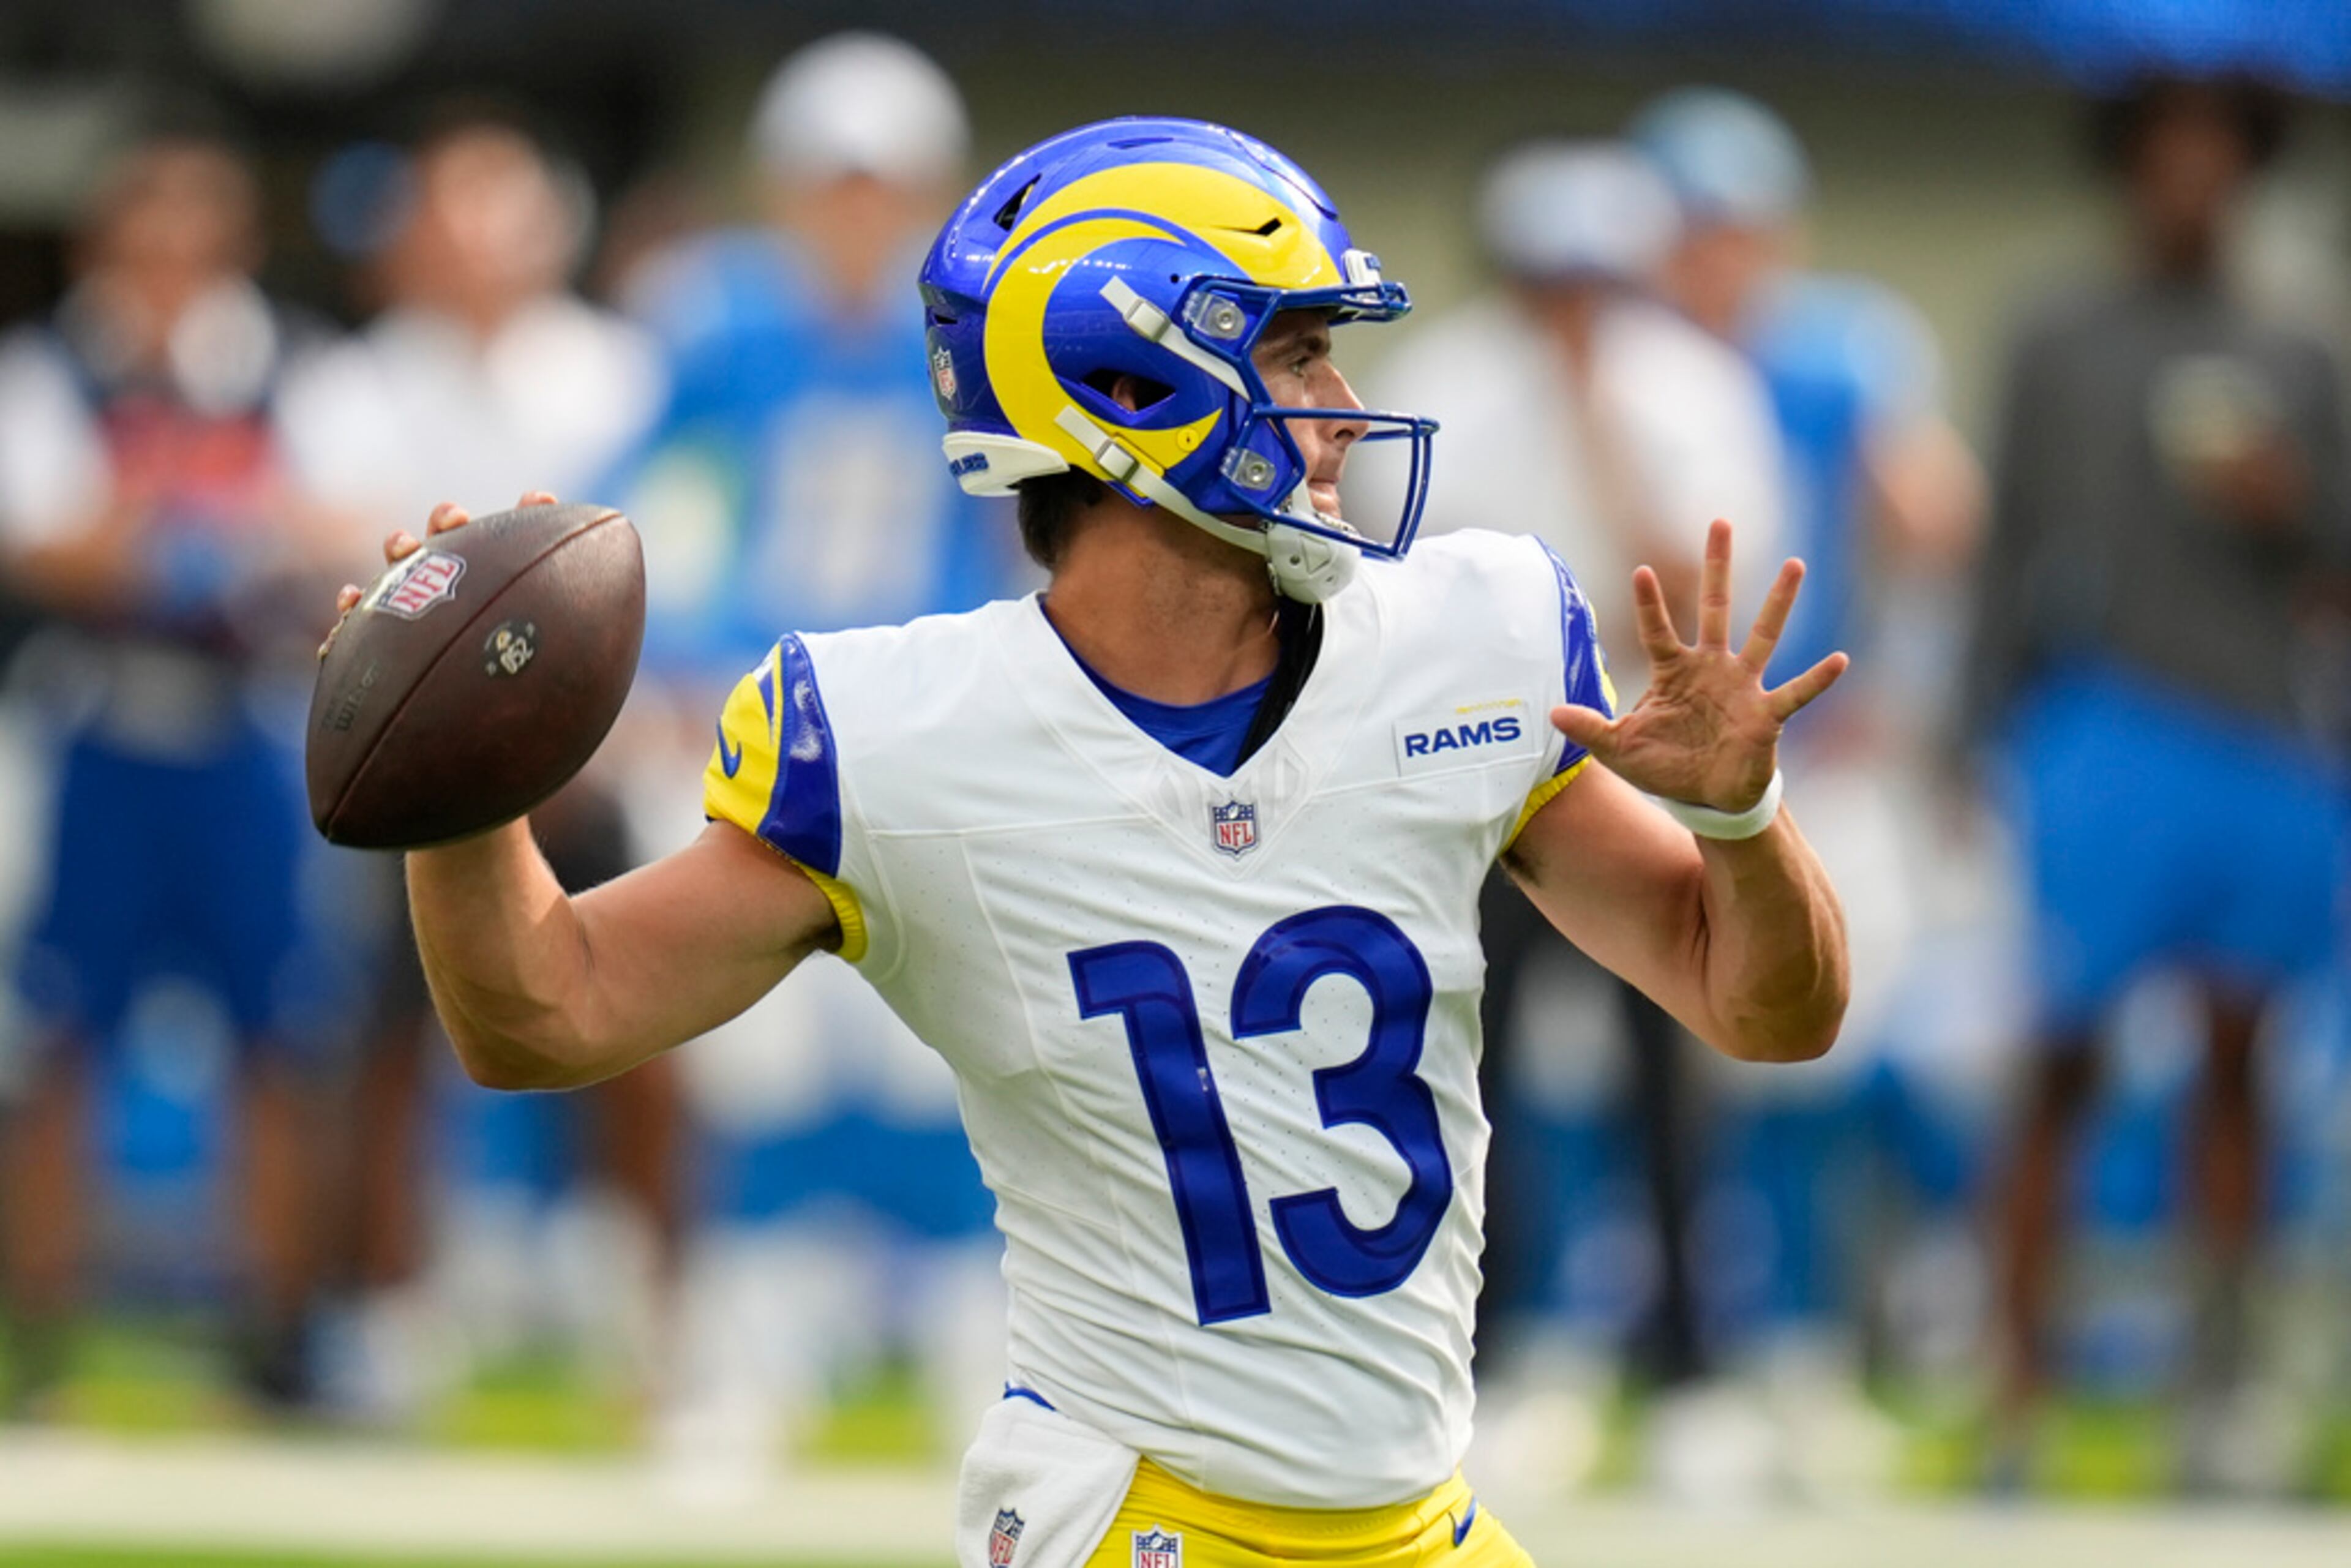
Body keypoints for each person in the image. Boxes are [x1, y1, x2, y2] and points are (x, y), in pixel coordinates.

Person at [332, 119, 1850, 1562]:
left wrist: (1739, 819)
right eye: (1296, 351)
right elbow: (547, 1011)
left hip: (1417, 1521)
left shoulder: (1467, 642)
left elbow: (1769, 1009)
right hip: (1133, 1516)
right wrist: (461, 794)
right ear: (1127, 389)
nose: (1335, 408)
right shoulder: (905, 736)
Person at [1362, 140, 1787, 1479]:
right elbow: (1391, 581)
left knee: (1670, 1063)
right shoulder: (1444, 384)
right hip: (1474, 762)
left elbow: (1702, 597)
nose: (1568, 309)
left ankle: (1688, 1369)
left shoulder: (1693, 391)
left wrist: (1597, 417)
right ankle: (1476, 1360)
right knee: (1463, 1063)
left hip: (1644, 768)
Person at [1962, 75, 2347, 1488]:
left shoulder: (2303, 342)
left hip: (2266, 740)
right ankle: (2017, 1394)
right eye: (2165, 157)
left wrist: (2285, 501)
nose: (2191, 180)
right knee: (2061, 1061)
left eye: (2218, 158)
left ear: (2246, 174)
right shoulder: (2058, 336)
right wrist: (1978, 732)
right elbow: (2007, 540)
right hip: (2100, 723)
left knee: (2243, 1061)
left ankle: (2221, 1393)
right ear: (2130, 172)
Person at [274, 107, 677, 1418]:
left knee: (650, 1020)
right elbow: (331, 564)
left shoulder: (617, 368)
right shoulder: (354, 381)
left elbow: (655, 554)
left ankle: (652, 1314)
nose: (465, 245)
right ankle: (389, 1316)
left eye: (490, 213)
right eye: (443, 215)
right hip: (417, 770)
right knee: (389, 1039)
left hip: (602, 758)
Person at [0, 126, 342, 1411]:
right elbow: (49, 546)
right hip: (102, 728)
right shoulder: (49, 370)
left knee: (281, 1034)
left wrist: (182, 509)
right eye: (143, 248)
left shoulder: (291, 363)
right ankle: (40, 1336)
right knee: (61, 1033)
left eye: (188, 248)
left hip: (244, 732)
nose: (164, 274)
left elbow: (340, 521)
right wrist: (203, 507)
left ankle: (283, 1334)